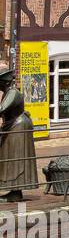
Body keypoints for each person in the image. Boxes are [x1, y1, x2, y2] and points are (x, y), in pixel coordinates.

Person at [0, 63, 36, 202]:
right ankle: (15, 190)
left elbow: (1, 109)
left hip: (18, 128)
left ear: (4, 81)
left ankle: (16, 192)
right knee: (9, 157)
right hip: (12, 126)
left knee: (15, 158)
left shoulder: (13, 93)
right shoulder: (8, 92)